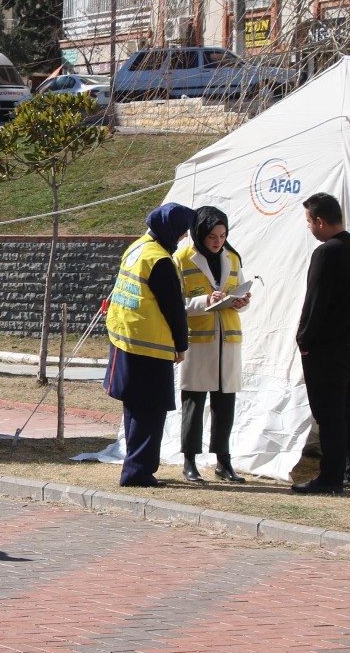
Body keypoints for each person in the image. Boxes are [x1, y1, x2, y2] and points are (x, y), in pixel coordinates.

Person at [292, 192, 350, 495]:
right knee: (346, 409)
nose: (309, 228)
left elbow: (315, 300)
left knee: (329, 413)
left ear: (319, 220)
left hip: (331, 347)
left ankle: (330, 475)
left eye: (308, 221)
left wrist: (304, 339)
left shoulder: (328, 252)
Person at [103, 203, 194, 488]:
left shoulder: (138, 247)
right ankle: (139, 472)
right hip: (149, 345)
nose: (182, 238)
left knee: (134, 407)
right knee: (151, 411)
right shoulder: (161, 261)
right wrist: (181, 344)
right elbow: (174, 308)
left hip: (125, 337)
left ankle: (135, 465)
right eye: (181, 232)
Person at [176, 206, 252, 483]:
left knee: (225, 404)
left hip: (228, 340)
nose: (218, 241)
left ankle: (223, 460)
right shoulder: (182, 259)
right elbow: (176, 305)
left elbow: (239, 292)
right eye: (211, 236)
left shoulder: (232, 258)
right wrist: (203, 302)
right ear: (199, 234)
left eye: (222, 235)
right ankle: (189, 461)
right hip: (199, 341)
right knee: (194, 403)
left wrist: (241, 302)